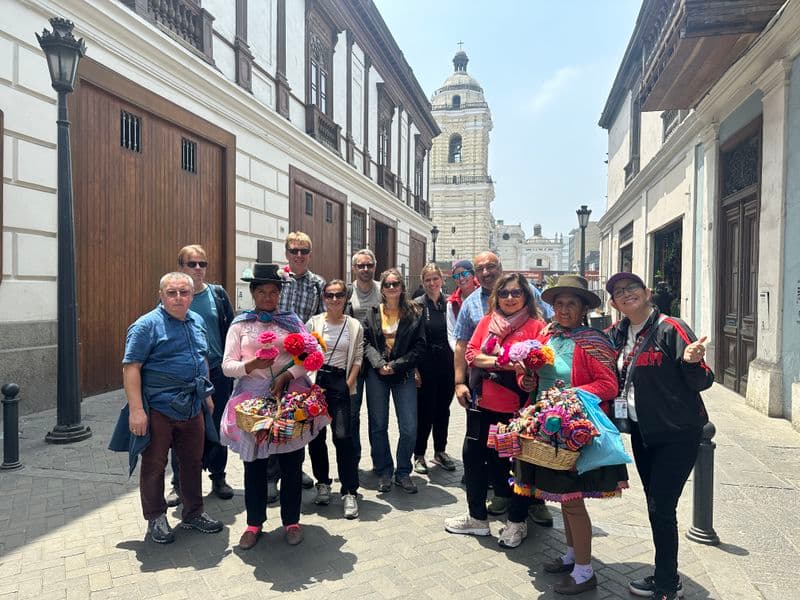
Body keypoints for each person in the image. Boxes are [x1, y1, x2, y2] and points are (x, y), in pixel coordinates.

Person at [510, 275, 626, 595]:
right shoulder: (546, 336)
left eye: (570, 304)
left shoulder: (593, 341)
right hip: (547, 429)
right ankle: (573, 556)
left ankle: (585, 572)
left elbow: (608, 386)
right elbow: (534, 379)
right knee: (563, 498)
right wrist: (528, 383)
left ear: (583, 308)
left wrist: (569, 395)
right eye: (558, 304)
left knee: (573, 501)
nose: (563, 310)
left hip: (573, 429)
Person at [606, 272, 713, 600]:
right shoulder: (616, 333)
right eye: (619, 292)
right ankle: (665, 573)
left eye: (632, 288)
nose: (627, 294)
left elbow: (703, 381)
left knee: (661, 506)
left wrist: (692, 362)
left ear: (647, 292)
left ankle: (668, 583)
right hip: (642, 432)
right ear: (613, 303)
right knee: (657, 507)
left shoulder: (672, 327)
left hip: (677, 433)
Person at [116, 272, 224, 544]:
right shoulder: (146, 325)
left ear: (191, 295)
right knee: (154, 465)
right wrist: (136, 410)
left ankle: (193, 512)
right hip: (158, 407)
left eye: (183, 292)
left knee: (192, 461)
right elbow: (131, 368)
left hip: (192, 405)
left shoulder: (197, 321)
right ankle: (156, 517)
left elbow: (202, 359)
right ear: (161, 295)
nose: (178, 297)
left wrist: (207, 395)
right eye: (171, 292)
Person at [220, 263, 320, 549]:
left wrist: (288, 375)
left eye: (273, 292)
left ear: (279, 294)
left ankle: (291, 520)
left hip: (289, 397)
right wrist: (251, 365)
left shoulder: (291, 321)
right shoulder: (240, 325)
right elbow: (227, 366)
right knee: (255, 465)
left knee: (291, 462)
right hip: (252, 402)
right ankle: (254, 523)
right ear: (252, 293)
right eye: (261, 291)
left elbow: (310, 356)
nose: (267, 297)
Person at [451, 251, 554, 525]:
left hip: (521, 401)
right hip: (483, 394)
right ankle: (501, 496)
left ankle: (533, 503)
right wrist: (460, 381)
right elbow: (465, 347)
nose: (510, 297)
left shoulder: (535, 321)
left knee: (524, 454)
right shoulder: (477, 310)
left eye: (516, 293)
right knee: (490, 452)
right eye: (480, 268)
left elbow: (549, 341)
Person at [166, 245, 235, 507]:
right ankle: (179, 484)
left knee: (218, 426)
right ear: (180, 266)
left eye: (202, 264)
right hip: (183, 377)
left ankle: (218, 477)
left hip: (217, 372)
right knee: (181, 430)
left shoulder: (217, 295)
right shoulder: (173, 296)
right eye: (192, 264)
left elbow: (231, 329)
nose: (198, 269)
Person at [362, 268, 426, 493]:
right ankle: (384, 470)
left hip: (403, 374)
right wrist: (380, 364)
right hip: (377, 375)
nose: (391, 288)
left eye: (395, 284)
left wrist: (395, 365)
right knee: (378, 425)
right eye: (387, 284)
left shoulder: (414, 313)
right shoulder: (372, 313)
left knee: (409, 427)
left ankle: (403, 471)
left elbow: (420, 347)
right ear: (382, 288)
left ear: (402, 287)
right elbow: (366, 343)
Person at [306, 280, 363, 518]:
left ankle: (349, 491)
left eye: (339, 295)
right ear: (323, 298)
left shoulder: (354, 325)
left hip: (341, 382)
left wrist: (349, 383)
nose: (334, 299)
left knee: (343, 436)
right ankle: (323, 483)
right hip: (317, 383)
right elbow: (305, 354)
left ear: (346, 298)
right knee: (317, 437)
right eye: (329, 295)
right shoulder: (314, 323)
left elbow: (358, 356)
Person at [273, 231, 324, 497]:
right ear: (287, 253)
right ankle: (272, 475)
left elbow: (318, 321)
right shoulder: (277, 280)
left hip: (302, 360)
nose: (299, 255)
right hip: (273, 358)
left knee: (297, 414)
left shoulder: (318, 284)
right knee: (272, 414)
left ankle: (295, 467)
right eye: (294, 251)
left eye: (304, 251)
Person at [413, 264, 456, 474]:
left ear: (442, 280)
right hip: (425, 365)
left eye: (435, 279)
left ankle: (440, 451)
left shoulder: (451, 304)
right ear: (423, 283)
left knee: (443, 410)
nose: (432, 283)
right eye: (427, 280)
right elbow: (411, 339)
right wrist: (415, 370)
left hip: (447, 364)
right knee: (425, 411)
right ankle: (418, 454)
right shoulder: (416, 305)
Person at [345, 249, 382, 468]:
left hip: (377, 360)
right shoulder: (347, 292)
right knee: (352, 414)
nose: (365, 269)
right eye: (361, 266)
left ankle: (379, 462)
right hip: (352, 361)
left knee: (377, 417)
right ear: (354, 268)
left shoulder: (383, 290)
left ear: (375, 267)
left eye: (369, 265)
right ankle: (353, 461)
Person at [446, 259, 479, 352]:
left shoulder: (485, 295)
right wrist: (461, 354)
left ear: (472, 274)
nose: (461, 278)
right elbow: (452, 334)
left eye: (464, 274)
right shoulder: (452, 304)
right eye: (456, 276)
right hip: (463, 353)